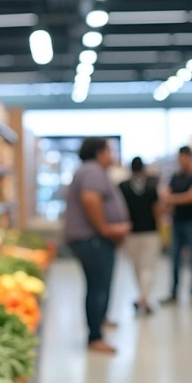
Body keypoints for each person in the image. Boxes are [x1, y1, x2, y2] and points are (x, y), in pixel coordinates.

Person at [64, 137, 131, 354]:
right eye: (109, 151)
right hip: (93, 239)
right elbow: (90, 200)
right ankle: (95, 336)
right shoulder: (92, 171)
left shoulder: (88, 170)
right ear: (99, 153)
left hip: (92, 239)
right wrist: (106, 229)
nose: (111, 155)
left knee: (99, 285)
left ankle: (99, 320)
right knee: (98, 287)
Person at [161, 146, 192, 305]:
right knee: (174, 258)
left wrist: (172, 199)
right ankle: (174, 292)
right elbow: (167, 194)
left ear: (189, 157)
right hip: (177, 221)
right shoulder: (176, 175)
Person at [119, 157, 160, 315]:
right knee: (147, 267)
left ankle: (142, 298)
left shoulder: (123, 186)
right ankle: (144, 298)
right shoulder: (151, 186)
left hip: (131, 232)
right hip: (150, 231)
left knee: (137, 267)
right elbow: (157, 209)